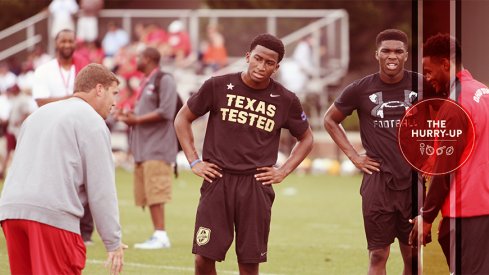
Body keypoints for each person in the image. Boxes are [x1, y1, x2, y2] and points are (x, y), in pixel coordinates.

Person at [174, 33, 313, 275]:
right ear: (248, 56)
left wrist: (283, 171)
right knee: (203, 258)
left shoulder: (286, 99)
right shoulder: (217, 85)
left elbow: (306, 138)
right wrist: (194, 160)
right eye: (258, 59)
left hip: (255, 185)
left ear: (277, 67)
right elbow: (182, 119)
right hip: (218, 181)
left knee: (249, 264)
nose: (261, 66)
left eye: (269, 63)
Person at [0, 63, 125, 275]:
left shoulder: (37, 115)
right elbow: (101, 189)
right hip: (52, 215)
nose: (114, 103)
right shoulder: (93, 121)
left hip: (11, 211)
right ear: (99, 89)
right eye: (114, 93)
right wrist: (113, 241)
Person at [323, 29, 419, 275]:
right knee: (378, 254)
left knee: (413, 254)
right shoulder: (360, 89)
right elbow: (330, 120)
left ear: (406, 55)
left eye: (398, 51)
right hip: (378, 183)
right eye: (386, 50)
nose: (392, 56)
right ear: (377, 53)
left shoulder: (423, 85)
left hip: (413, 183)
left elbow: (447, 118)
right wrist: (354, 157)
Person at [409, 33, 489, 274]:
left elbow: (445, 170)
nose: (427, 77)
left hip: (468, 211)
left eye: (429, 70)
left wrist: (426, 217)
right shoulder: (484, 91)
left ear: (446, 64)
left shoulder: (454, 107)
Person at [118, 47, 178, 249]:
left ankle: (161, 235)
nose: (136, 60)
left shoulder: (164, 79)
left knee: (156, 191)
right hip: (143, 147)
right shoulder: (146, 81)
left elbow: (167, 111)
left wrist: (137, 119)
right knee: (148, 192)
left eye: (139, 57)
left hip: (158, 146)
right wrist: (129, 117)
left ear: (149, 59)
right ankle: (157, 233)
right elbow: (144, 113)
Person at [33, 29, 89, 107]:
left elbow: (90, 97)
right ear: (56, 43)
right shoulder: (43, 70)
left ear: (75, 43)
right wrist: (74, 98)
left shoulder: (85, 68)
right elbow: (41, 102)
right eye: (63, 41)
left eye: (70, 41)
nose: (67, 45)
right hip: (54, 117)